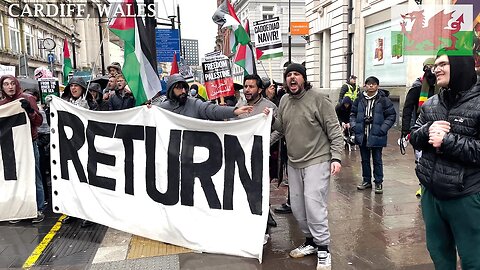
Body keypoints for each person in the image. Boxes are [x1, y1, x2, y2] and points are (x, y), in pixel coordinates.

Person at [268, 63, 343, 270]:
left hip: (317, 160)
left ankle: (324, 249)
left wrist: (336, 157)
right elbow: (281, 128)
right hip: (294, 162)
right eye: (289, 75)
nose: (292, 78)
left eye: (296, 75)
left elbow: (334, 130)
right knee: (299, 209)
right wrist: (269, 119)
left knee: (313, 205)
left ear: (303, 78)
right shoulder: (283, 100)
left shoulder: (319, 99)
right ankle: (310, 242)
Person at [410, 52, 480, 269]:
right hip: (431, 193)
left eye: (443, 64)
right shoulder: (431, 103)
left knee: (472, 258)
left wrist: (448, 141)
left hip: (466, 194)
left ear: (460, 66)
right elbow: (414, 136)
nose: (436, 69)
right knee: (439, 254)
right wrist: (427, 130)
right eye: (435, 66)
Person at [0, 75, 45, 223]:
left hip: (29, 143)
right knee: (15, 176)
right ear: (2, 87)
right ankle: (18, 209)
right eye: (6, 84)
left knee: (33, 175)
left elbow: (39, 121)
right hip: (11, 145)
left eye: (13, 83)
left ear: (17, 84)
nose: (10, 87)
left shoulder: (27, 98)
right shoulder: (3, 104)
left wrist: (29, 111)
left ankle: (37, 209)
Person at [351, 76, 396, 194]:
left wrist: (382, 129)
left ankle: (378, 182)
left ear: (378, 86)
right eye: (369, 84)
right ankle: (366, 181)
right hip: (362, 134)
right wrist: (355, 126)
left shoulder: (383, 99)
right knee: (364, 160)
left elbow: (391, 116)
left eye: (374, 84)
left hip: (376, 134)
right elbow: (353, 114)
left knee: (377, 159)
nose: (371, 86)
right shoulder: (359, 98)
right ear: (365, 85)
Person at [401, 57, 437, 197]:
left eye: (432, 67)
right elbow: (408, 109)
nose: (430, 70)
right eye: (427, 67)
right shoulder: (417, 87)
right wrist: (405, 130)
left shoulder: (442, 86)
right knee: (420, 159)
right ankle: (422, 185)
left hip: (438, 128)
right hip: (420, 127)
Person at [154, 74, 252, 119]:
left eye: (185, 87)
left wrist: (234, 111)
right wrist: (147, 111)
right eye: (179, 88)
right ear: (171, 90)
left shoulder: (194, 104)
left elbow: (212, 110)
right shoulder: (160, 109)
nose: (183, 91)